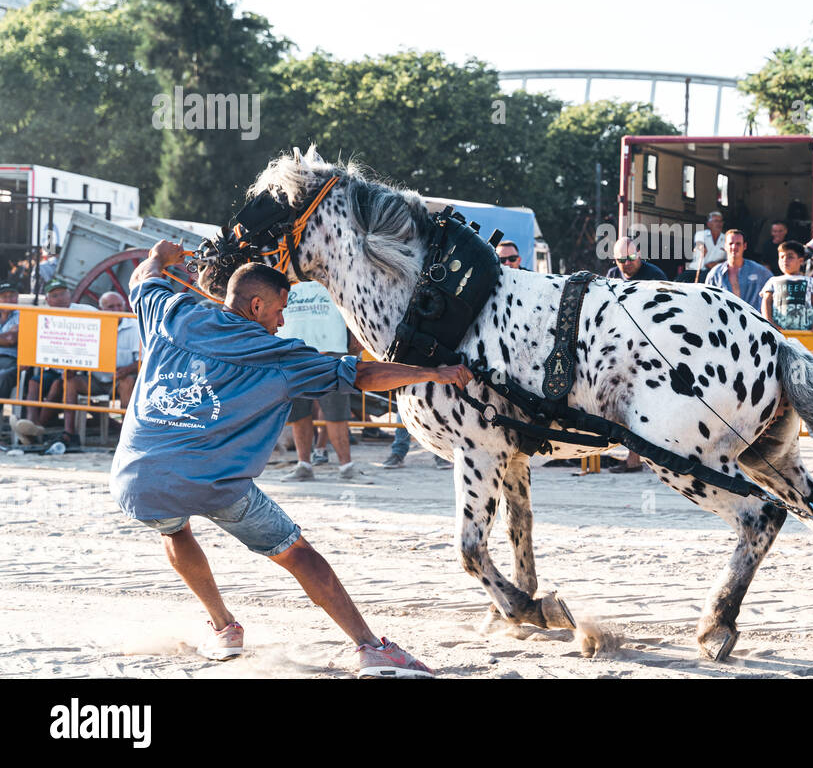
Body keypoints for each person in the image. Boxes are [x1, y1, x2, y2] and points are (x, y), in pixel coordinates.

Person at [111, 240, 473, 674]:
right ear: (257, 304)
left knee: (174, 530)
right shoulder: (279, 355)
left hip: (139, 478)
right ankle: (368, 646)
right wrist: (434, 373)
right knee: (296, 552)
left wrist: (159, 256)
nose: (283, 321)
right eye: (280, 310)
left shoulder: (174, 314)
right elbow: (362, 374)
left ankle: (224, 629)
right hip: (217, 482)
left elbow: (142, 279)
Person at [277, 281, 365, 481]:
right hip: (293, 350)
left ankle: (346, 466)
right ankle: (304, 464)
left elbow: (350, 304)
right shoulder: (282, 274)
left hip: (330, 348)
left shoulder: (330, 273)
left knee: (336, 413)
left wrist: (354, 334)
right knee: (299, 414)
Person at [51, 290, 141, 454]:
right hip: (97, 380)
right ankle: (69, 434)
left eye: (118, 306)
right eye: (110, 307)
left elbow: (141, 360)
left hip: (120, 381)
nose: (115, 310)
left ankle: (125, 437)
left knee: (127, 381)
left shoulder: (134, 325)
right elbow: (81, 354)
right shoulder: (92, 325)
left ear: (124, 306)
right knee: (70, 381)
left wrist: (126, 370)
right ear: (101, 309)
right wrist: (72, 369)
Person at [13, 278, 97, 445]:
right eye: (55, 295)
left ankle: (35, 428)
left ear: (70, 295)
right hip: (52, 366)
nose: (60, 298)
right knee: (33, 383)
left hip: (78, 369)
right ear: (48, 300)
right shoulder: (41, 315)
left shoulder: (86, 310)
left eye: (63, 294)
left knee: (58, 385)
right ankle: (31, 423)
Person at [760, 241, 813, 335]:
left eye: (790, 257)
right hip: (779, 334)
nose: (785, 260)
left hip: (806, 334)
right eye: (782, 257)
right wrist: (769, 323)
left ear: (801, 261)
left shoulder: (810, 281)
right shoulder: (773, 281)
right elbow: (766, 303)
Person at [704, 229, 771, 311]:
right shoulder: (715, 274)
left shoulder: (760, 271)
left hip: (753, 321)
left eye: (738, 244)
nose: (734, 247)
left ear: (745, 246)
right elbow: (708, 302)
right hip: (725, 321)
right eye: (731, 243)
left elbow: (774, 292)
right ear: (725, 246)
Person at [688, 212, 726, 281]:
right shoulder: (701, 234)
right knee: (680, 280)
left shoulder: (726, 238)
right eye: (716, 221)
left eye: (720, 221)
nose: (719, 224)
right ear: (709, 224)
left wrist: (716, 264)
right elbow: (699, 244)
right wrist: (701, 247)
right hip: (696, 269)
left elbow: (728, 258)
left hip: (715, 272)